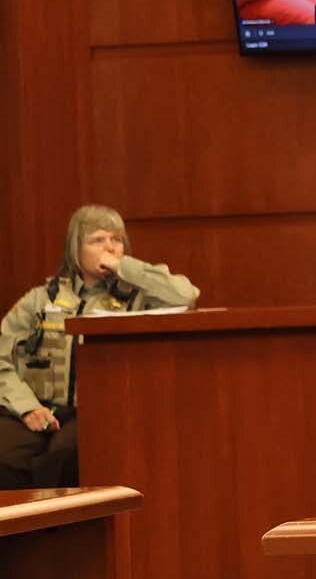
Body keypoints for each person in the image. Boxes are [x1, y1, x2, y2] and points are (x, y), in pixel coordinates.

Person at [0, 205, 199, 489]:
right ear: (75, 249)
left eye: (116, 239)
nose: (110, 247)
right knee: (6, 454)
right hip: (39, 407)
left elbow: (186, 295)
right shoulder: (40, 299)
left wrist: (123, 267)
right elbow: (2, 359)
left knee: (67, 455)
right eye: (97, 240)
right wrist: (28, 408)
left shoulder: (138, 297)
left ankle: (62, 517)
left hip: (98, 412)